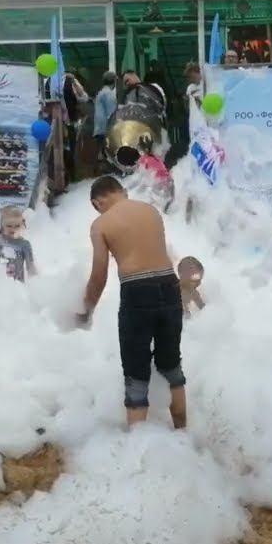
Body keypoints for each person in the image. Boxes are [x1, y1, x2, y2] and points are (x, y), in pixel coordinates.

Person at [80, 176, 186, 429]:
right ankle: (183, 432)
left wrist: (87, 310)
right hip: (170, 287)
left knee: (136, 371)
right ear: (123, 191)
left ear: (97, 203)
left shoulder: (101, 224)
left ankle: (138, 443)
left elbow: (99, 275)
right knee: (171, 365)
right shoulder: (151, 211)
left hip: (137, 292)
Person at [0, 206, 37, 282]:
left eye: (17, 226)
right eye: (9, 226)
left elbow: (30, 267)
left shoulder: (25, 244)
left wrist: (35, 282)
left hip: (17, 284)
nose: (13, 229)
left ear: (22, 225)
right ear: (1, 225)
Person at [93, 71, 118, 172]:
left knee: (101, 152)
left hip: (99, 128)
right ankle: (105, 173)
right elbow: (111, 113)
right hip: (106, 128)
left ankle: (100, 172)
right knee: (107, 154)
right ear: (114, 81)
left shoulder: (101, 92)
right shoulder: (109, 94)